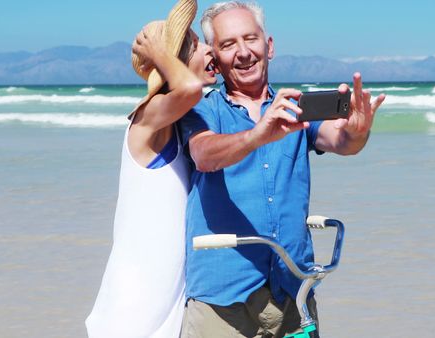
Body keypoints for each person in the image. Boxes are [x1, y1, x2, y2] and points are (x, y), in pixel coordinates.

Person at [178, 1, 386, 337]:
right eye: (229, 44)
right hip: (222, 299)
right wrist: (258, 135)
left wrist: (357, 131)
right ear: (214, 57)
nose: (244, 52)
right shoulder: (201, 109)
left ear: (269, 46)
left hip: (294, 292)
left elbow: (342, 141)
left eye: (251, 39)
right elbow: (204, 154)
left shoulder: (296, 108)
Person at [85, 0, 217, 337]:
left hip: (165, 302)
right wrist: (161, 52)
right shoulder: (148, 118)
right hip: (135, 307)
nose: (210, 50)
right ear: (177, 60)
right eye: (198, 45)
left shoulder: (179, 124)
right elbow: (189, 89)